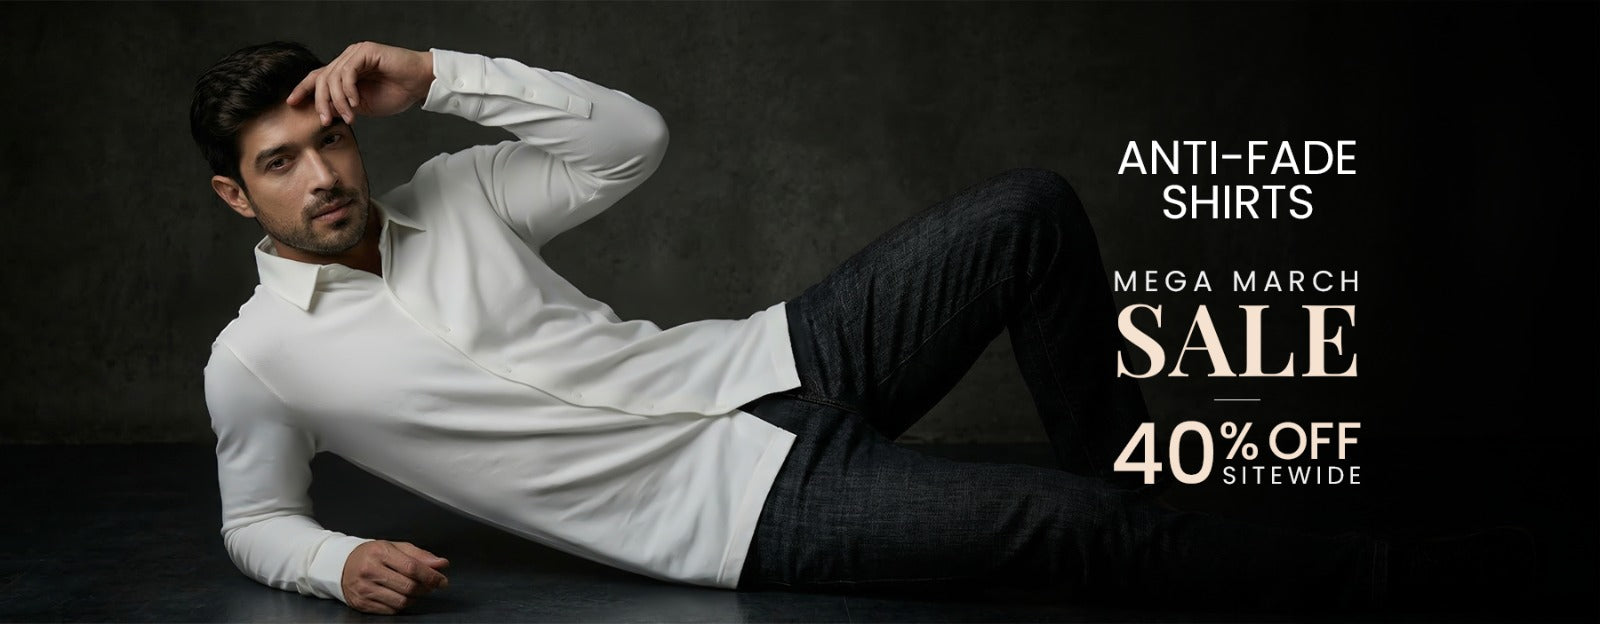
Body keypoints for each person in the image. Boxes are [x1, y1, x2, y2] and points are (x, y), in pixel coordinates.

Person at [191, 40, 1534, 616]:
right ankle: (1392, 585)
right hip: (744, 509)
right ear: (234, 194)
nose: (321, 177)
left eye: (326, 140)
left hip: (783, 354)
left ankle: (1142, 513)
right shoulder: (259, 359)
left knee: (1028, 211)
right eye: (278, 164)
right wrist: (336, 562)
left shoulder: (457, 192)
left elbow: (631, 139)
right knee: (1066, 532)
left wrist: (436, 74)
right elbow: (256, 519)